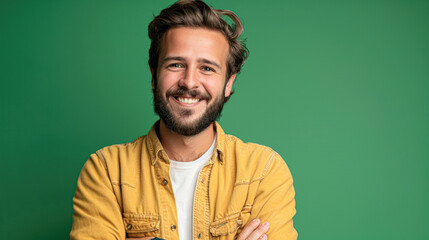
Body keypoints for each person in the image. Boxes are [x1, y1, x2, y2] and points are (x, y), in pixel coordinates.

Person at [70, 0, 297, 239]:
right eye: (176, 64)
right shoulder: (106, 171)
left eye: (207, 68)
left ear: (229, 82)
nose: (189, 82)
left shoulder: (263, 172)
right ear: (153, 75)